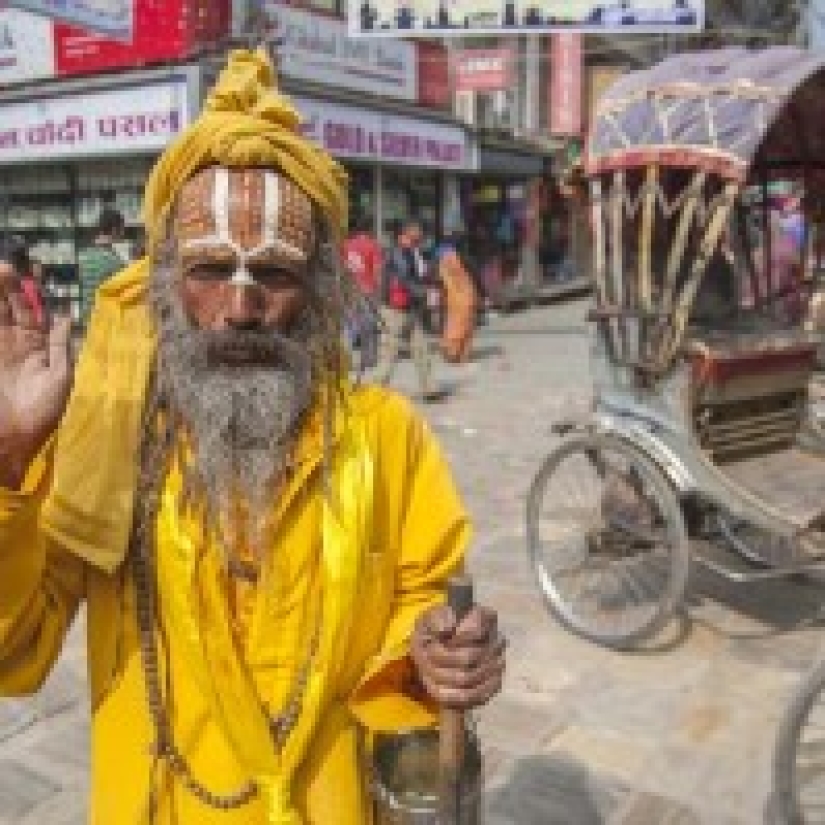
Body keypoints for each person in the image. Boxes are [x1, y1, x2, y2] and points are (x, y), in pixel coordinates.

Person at [0, 49, 504, 824]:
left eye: (272, 273)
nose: (239, 307)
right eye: (208, 269)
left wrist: (431, 648)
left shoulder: (386, 437)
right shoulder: (105, 444)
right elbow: (15, 655)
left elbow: (421, 592)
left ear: (318, 290)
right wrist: (7, 459)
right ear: (165, 282)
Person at [374, 219, 438, 399]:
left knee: (421, 347)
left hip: (410, 308)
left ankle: (429, 388)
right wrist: (424, 292)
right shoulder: (398, 253)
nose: (420, 233)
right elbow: (404, 279)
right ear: (405, 234)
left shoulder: (414, 252)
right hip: (395, 310)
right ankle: (377, 388)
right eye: (416, 230)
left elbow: (420, 275)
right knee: (389, 351)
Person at [342, 216, 382, 369]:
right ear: (369, 229)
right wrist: (378, 293)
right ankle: (369, 360)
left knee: (349, 327)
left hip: (349, 290)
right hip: (367, 290)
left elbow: (341, 268)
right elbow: (377, 271)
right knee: (368, 326)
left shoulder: (346, 245)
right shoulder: (372, 246)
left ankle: (345, 360)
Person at [77, 206, 125, 328]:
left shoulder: (84, 255)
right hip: (105, 321)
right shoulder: (113, 261)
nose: (123, 233)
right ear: (114, 230)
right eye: (122, 229)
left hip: (87, 318)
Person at [434, 232, 477, 363]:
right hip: (466, 296)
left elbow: (441, 279)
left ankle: (453, 352)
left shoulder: (443, 259)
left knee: (455, 324)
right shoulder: (460, 258)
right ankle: (459, 354)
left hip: (455, 297)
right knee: (465, 325)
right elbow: (472, 275)